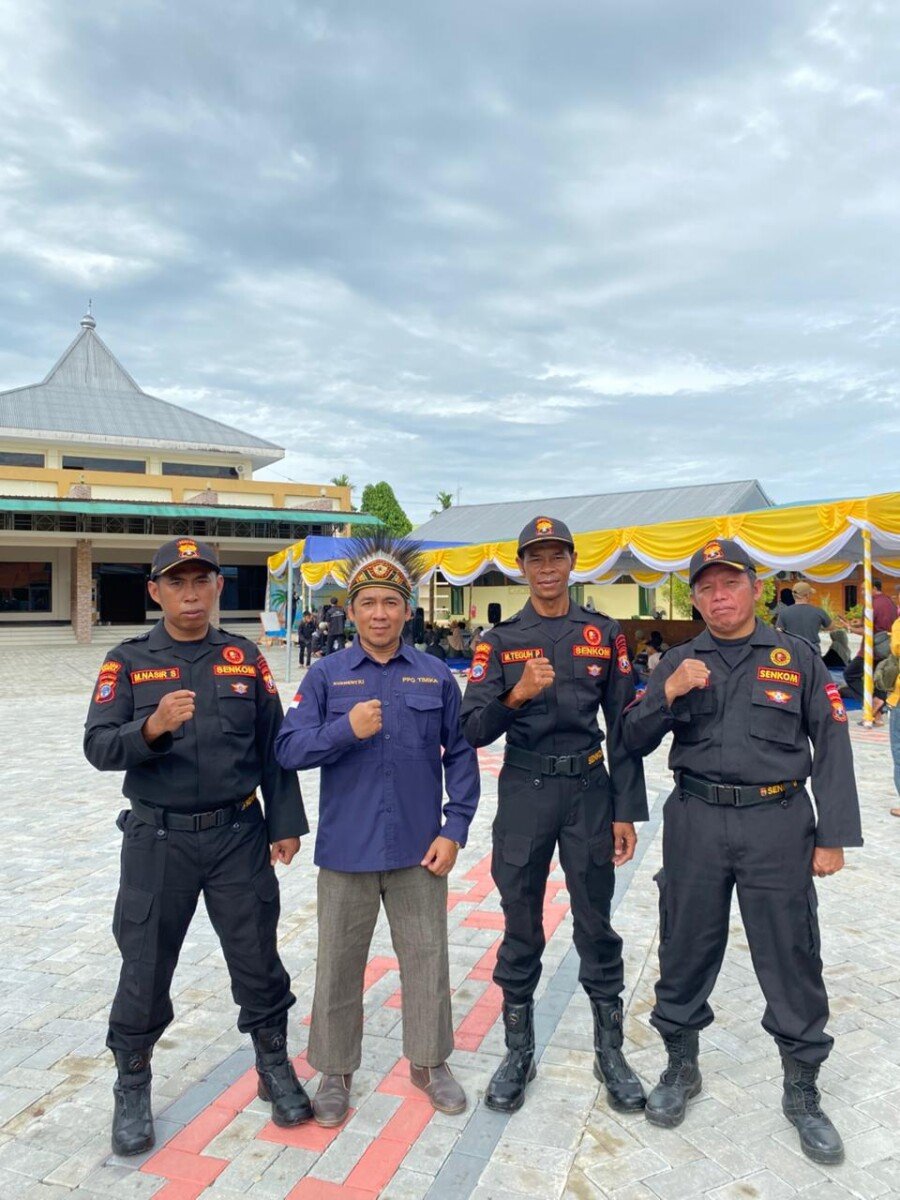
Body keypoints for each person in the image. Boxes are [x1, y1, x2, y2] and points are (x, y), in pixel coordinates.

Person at [622, 537, 862, 1165]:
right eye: (706, 588)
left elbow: (832, 742)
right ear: (695, 599)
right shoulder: (678, 661)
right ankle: (681, 1066)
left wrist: (833, 835)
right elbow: (630, 738)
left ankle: (803, 1090)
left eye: (730, 583)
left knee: (790, 950)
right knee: (684, 943)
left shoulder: (796, 657)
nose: (719, 596)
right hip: (696, 820)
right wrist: (667, 693)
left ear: (756, 589)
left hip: (777, 823)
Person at [84, 538, 312, 1158]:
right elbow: (98, 746)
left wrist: (285, 823)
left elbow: (274, 745)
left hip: (238, 834)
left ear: (217, 587)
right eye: (176, 582)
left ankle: (273, 1064)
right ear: (155, 591)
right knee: (145, 963)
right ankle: (133, 1083)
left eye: (201, 581)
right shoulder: (127, 661)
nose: (190, 594)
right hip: (158, 840)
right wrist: (151, 727)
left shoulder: (244, 657)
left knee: (256, 954)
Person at [275, 532, 480, 1126]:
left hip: (420, 850)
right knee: (339, 963)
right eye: (368, 602)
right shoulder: (327, 677)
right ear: (352, 609)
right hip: (347, 850)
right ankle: (334, 1071)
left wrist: (455, 829)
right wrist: (346, 730)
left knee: (427, 959)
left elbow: (461, 753)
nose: (380, 613)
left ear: (407, 610)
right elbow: (288, 749)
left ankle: (430, 1062)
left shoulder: (435, 676)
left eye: (391, 602)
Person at [460, 516, 648, 1115]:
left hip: (590, 790)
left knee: (595, 920)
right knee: (521, 920)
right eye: (535, 558)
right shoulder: (499, 642)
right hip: (526, 789)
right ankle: (518, 1053)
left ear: (572, 562)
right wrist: (515, 694)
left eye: (556, 556)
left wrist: (626, 810)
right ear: (521, 567)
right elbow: (472, 728)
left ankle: (610, 1052)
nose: (546, 568)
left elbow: (624, 727)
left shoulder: (604, 633)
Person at [843, 579, 896, 725]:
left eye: (863, 589)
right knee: (879, 680)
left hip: (870, 649)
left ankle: (871, 702)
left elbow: (868, 630)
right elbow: (881, 623)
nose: (861, 593)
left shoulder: (871, 604)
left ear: (873, 588)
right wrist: (858, 622)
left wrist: (850, 628)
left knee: (850, 674)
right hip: (887, 648)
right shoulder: (890, 603)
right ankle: (878, 716)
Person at [775, 581, 840, 652]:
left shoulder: (784, 612)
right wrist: (818, 626)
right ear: (807, 595)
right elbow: (832, 627)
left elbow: (778, 632)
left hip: (792, 651)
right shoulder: (818, 611)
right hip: (812, 651)